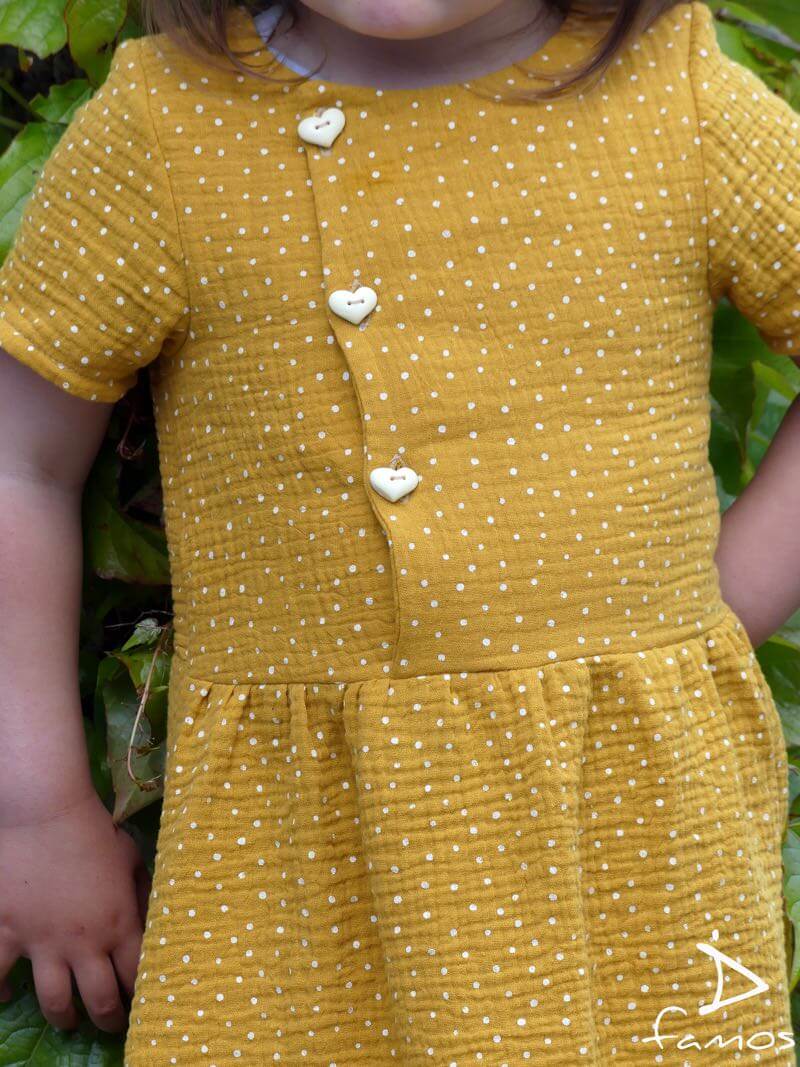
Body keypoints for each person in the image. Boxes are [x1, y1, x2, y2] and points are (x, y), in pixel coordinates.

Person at [0, 0, 798, 1061]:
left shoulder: (675, 93)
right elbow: (18, 464)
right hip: (292, 858)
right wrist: (36, 807)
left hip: (634, 829)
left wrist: (707, 612)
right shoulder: (166, 122)